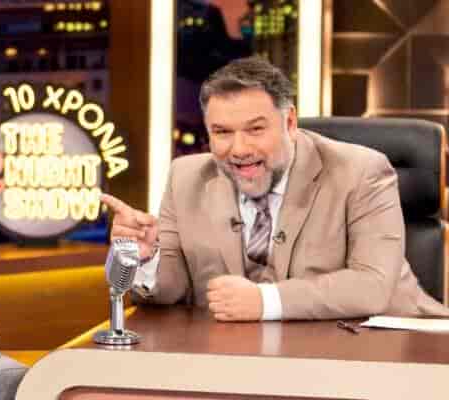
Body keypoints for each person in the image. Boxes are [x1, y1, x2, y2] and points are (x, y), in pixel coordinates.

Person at [102, 56, 449, 321]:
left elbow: (372, 286)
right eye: (222, 132)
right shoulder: (186, 177)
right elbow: (172, 287)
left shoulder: (362, 172)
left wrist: (265, 301)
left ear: (290, 123)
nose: (239, 149)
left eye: (255, 129)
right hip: (248, 358)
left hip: (389, 350)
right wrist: (146, 258)